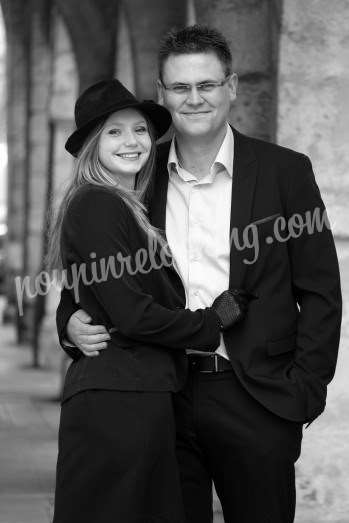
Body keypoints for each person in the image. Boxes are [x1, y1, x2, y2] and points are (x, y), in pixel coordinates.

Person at [56, 26, 342, 523]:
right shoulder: (136, 180)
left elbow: (321, 291)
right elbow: (92, 273)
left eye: (207, 85)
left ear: (231, 87)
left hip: (256, 398)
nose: (195, 99)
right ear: (162, 95)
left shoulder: (285, 172)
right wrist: (68, 322)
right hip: (162, 400)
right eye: (181, 88)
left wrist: (305, 390)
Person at [49, 78, 253, 523]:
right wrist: (212, 322)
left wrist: (68, 321)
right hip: (119, 401)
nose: (132, 141)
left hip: (140, 395)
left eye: (140, 130)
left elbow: (86, 288)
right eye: (114, 132)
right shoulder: (99, 204)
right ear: (91, 146)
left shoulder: (127, 203)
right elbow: (132, 313)